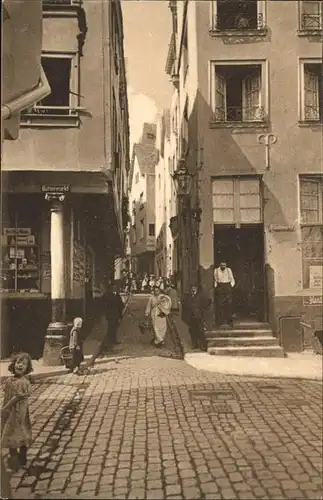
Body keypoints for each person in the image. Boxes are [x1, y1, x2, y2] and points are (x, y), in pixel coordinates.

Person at [1, 352, 33, 471]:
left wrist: (5, 407)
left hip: (19, 413)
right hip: (10, 413)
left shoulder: (23, 382)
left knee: (19, 431)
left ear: (27, 368)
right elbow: (7, 394)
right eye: (18, 362)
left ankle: (21, 457)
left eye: (24, 364)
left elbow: (17, 398)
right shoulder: (9, 380)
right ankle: (14, 456)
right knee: (10, 432)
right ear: (14, 364)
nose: (20, 365)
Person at [184, 285, 209, 350]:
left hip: (199, 316)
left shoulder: (200, 296)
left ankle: (203, 346)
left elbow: (205, 305)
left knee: (201, 331)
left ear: (197, 289)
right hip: (191, 317)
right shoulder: (188, 297)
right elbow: (186, 305)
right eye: (192, 288)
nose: (193, 290)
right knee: (192, 331)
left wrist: (203, 315)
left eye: (194, 288)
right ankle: (194, 344)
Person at [214, 261, 235, 327]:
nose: (223, 266)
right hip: (220, 286)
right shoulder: (216, 270)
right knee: (220, 304)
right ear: (220, 265)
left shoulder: (228, 270)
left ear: (226, 265)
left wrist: (231, 286)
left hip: (227, 286)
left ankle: (229, 321)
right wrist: (216, 287)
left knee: (229, 304)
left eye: (224, 265)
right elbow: (215, 279)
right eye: (222, 265)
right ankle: (220, 321)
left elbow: (232, 279)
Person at [103, 284, 124, 349]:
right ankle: (109, 341)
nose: (114, 289)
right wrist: (107, 312)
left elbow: (120, 304)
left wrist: (120, 314)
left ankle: (114, 340)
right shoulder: (106, 295)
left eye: (115, 288)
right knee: (110, 327)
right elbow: (104, 305)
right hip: (110, 314)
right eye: (113, 288)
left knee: (115, 327)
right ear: (110, 289)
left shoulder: (117, 295)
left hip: (116, 314)